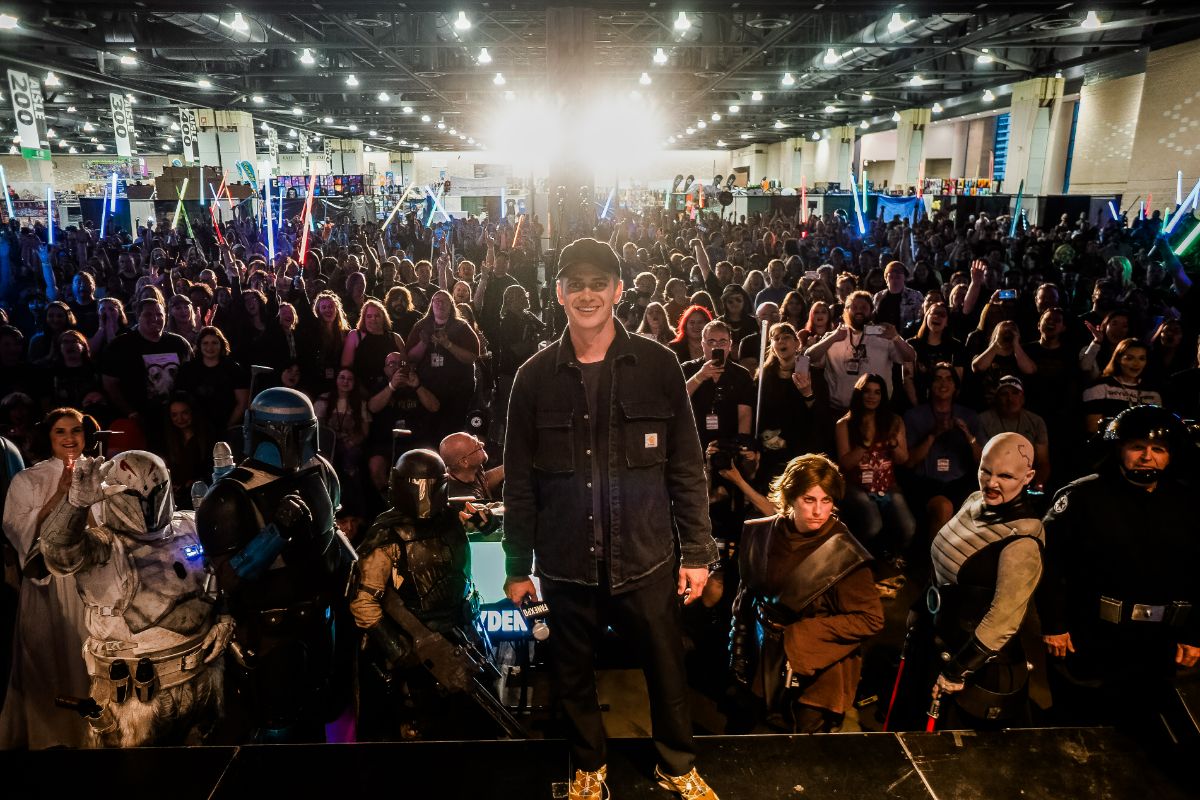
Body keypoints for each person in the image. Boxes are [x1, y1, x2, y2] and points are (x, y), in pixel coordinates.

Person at [503, 237, 720, 800]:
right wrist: (515, 562)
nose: (587, 294)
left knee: (667, 671)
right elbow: (521, 482)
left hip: (645, 557)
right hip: (565, 560)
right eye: (575, 284)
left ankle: (676, 766)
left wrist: (698, 553)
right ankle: (588, 767)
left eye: (599, 283)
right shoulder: (532, 378)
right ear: (558, 294)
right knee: (571, 675)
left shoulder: (660, 366)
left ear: (619, 291)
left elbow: (687, 468)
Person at [39, 449, 233, 747]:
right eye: (135, 496)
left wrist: (224, 615)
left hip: (203, 682)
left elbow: (223, 574)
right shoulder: (104, 547)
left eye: (155, 493)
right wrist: (75, 504)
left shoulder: (189, 525)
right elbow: (58, 553)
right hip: (133, 701)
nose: (147, 505)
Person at [195, 387, 355, 742]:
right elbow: (226, 580)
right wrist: (275, 533)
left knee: (320, 718)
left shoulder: (320, 471)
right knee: (275, 732)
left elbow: (330, 535)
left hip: (321, 623)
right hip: (268, 636)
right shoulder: (229, 495)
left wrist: (355, 573)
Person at [1037, 406, 1199, 737]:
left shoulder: (1189, 504)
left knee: (1148, 735)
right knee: (1086, 732)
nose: (1147, 457)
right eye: (1137, 447)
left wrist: (1195, 633)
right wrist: (1054, 624)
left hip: (1160, 646)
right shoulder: (1082, 496)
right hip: (1093, 639)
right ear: (1119, 450)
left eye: (1158, 450)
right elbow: (1047, 562)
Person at [350, 449, 500, 740]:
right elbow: (364, 599)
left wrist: (487, 521)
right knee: (418, 733)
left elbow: (480, 523)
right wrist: (396, 646)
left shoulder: (451, 518)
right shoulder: (387, 534)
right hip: (414, 645)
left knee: (476, 727)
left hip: (461, 634)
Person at [729, 454, 883, 733]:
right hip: (765, 656)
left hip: (818, 671)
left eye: (826, 501)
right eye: (809, 500)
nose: (819, 511)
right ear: (790, 497)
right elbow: (747, 593)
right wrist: (738, 646)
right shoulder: (761, 533)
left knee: (805, 753)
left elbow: (870, 619)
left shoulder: (845, 555)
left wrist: (803, 637)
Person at [915, 433, 1044, 729]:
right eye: (986, 470)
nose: (991, 482)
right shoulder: (975, 500)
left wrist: (958, 670)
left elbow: (1004, 618)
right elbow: (942, 562)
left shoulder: (1022, 539)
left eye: (1006, 475)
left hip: (979, 668)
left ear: (1029, 477)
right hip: (942, 641)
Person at [0, 412, 90, 749]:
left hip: (89, 585)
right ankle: (53, 738)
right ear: (49, 437)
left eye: (76, 430)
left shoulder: (101, 472)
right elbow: (17, 527)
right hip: (49, 585)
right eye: (60, 431)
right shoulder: (29, 479)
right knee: (50, 662)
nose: (69, 438)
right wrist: (61, 494)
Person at [834, 374, 916, 559]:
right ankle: (857, 560)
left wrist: (893, 444)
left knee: (908, 527)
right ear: (859, 394)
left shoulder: (894, 421)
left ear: (882, 396)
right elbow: (845, 463)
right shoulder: (845, 424)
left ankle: (893, 560)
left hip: (888, 486)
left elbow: (903, 459)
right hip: (856, 485)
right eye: (867, 392)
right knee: (873, 526)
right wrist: (864, 444)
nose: (872, 396)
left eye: (877, 392)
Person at [805, 290, 916, 414]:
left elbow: (910, 357)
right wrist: (833, 338)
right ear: (846, 310)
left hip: (877, 411)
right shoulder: (833, 336)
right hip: (840, 411)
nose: (859, 310)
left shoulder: (884, 335)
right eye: (855, 307)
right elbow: (809, 358)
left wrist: (896, 337)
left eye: (864, 307)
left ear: (872, 310)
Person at [681, 320, 755, 449]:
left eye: (722, 342)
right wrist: (700, 376)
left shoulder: (741, 374)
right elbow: (677, 399)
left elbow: (744, 414)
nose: (717, 347)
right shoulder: (688, 369)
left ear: (730, 345)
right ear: (702, 344)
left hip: (729, 443)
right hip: (694, 443)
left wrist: (742, 445)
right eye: (711, 342)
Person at [977, 376, 1051, 489]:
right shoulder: (983, 420)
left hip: (1026, 480)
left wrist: (1039, 484)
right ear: (996, 399)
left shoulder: (1036, 421)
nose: (1010, 398)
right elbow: (981, 460)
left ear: (1023, 399)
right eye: (1004, 394)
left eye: (1015, 393)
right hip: (994, 478)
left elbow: (1043, 461)